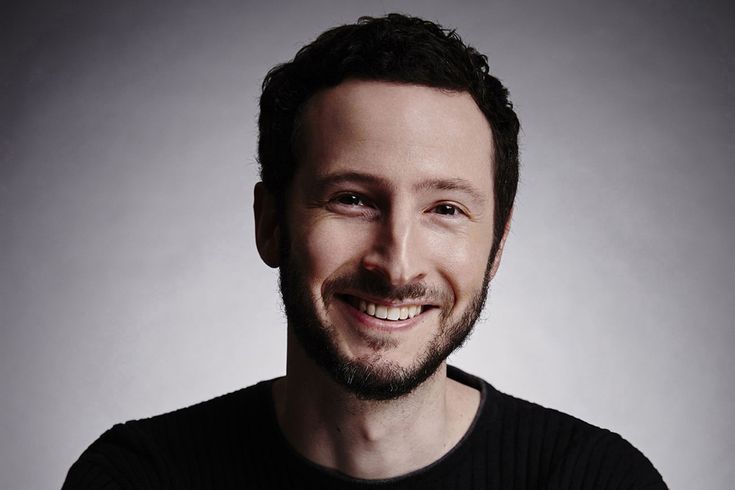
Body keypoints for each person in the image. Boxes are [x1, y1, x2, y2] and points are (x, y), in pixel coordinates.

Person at [63, 13, 667, 489]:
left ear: (496, 247)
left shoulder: (600, 479)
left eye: (446, 209)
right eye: (353, 199)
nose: (397, 264)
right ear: (271, 223)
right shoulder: (138, 476)